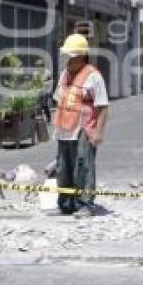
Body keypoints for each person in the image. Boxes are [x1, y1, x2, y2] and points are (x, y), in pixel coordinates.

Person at [52, 33, 110, 218]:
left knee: (83, 167)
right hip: (64, 129)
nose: (67, 60)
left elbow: (102, 106)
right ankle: (66, 203)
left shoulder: (93, 76)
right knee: (63, 168)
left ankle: (85, 204)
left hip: (84, 129)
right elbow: (59, 99)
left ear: (81, 56)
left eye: (71, 56)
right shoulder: (64, 74)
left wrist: (98, 131)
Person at [35, 58, 54, 123]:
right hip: (38, 91)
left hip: (45, 91)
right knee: (37, 105)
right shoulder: (35, 73)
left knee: (44, 105)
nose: (39, 67)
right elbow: (34, 82)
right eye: (37, 66)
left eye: (40, 65)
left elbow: (51, 81)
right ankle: (39, 118)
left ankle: (48, 117)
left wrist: (45, 83)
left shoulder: (48, 72)